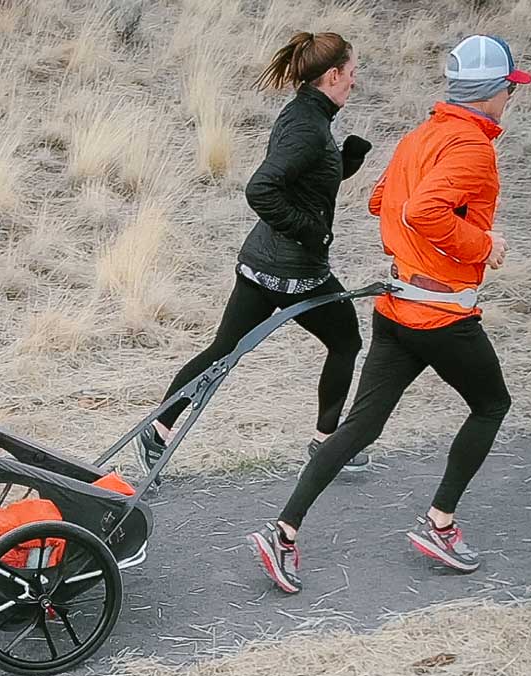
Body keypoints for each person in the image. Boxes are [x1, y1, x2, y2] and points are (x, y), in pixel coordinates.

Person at [250, 35, 531, 593]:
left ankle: (283, 531)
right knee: (492, 404)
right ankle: (440, 524)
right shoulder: (473, 148)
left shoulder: (419, 135)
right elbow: (420, 210)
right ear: (491, 91)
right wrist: (482, 245)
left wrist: (417, 234)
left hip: (396, 306)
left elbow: (382, 202)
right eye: (509, 89)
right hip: (442, 316)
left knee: (361, 425)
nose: (510, 98)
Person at [135, 31, 376, 477]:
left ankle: (159, 430)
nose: (354, 83)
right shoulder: (308, 127)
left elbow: (299, 180)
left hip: (261, 262)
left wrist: (344, 163)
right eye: (352, 73)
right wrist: (313, 233)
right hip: (296, 269)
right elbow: (262, 189)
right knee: (346, 341)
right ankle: (326, 443)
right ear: (333, 75)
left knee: (224, 349)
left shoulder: (304, 113)